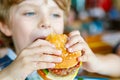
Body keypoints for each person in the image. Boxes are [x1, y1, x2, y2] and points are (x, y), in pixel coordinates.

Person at [0, 0, 120, 80]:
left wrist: (97, 63)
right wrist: (9, 75)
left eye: (55, 15)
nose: (46, 23)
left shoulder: (68, 60)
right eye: (30, 13)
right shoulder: (4, 66)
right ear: (6, 25)